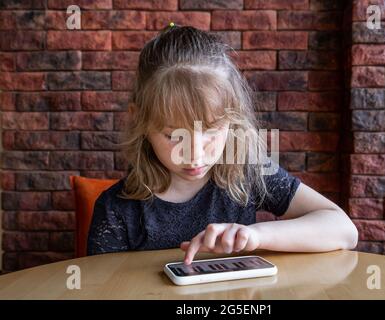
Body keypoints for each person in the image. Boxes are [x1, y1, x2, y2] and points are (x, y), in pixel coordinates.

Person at [86, 25, 358, 265]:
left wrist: (255, 235)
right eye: (173, 136)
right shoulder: (115, 209)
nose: (195, 154)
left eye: (212, 130)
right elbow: (104, 288)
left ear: (233, 119)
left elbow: (344, 230)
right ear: (140, 122)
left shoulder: (248, 173)